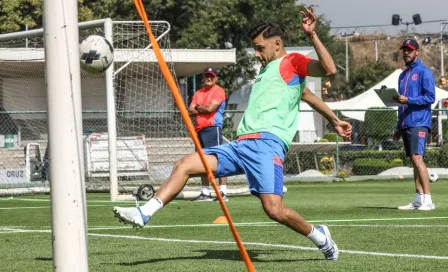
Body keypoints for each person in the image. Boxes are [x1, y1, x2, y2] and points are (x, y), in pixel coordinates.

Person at [113, 7, 351, 261]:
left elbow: (329, 70)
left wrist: (312, 35)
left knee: (274, 210)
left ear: (277, 43)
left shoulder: (291, 61)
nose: (257, 54)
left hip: (267, 145)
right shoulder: (267, 71)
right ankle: (145, 213)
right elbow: (307, 96)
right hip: (240, 146)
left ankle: (321, 237)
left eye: (260, 48)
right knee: (184, 164)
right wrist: (335, 119)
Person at [393, 39, 436, 211]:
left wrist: (409, 100)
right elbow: (401, 104)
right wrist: (398, 126)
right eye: (404, 50)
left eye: (410, 50)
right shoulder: (403, 76)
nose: (406, 53)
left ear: (417, 52)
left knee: (418, 158)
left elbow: (430, 97)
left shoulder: (424, 72)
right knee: (414, 160)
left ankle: (428, 200)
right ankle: (418, 199)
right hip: (406, 123)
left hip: (419, 122)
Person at [188, 67, 228, 202]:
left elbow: (210, 108)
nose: (209, 78)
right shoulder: (198, 93)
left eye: (211, 76)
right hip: (199, 130)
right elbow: (190, 111)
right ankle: (205, 192)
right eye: (207, 76)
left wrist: (198, 107)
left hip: (212, 129)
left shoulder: (219, 91)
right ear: (203, 77)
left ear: (215, 78)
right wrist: (201, 109)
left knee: (218, 160)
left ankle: (222, 192)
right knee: (202, 162)